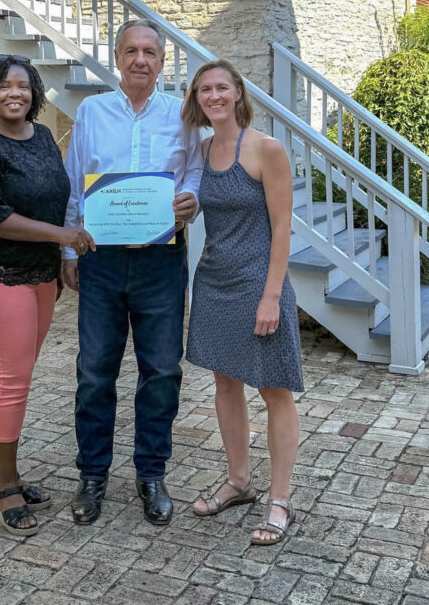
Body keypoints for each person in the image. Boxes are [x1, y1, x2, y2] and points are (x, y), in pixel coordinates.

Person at [62, 18, 203, 526]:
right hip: (101, 259)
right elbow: (75, 181)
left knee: (162, 370)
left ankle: (151, 474)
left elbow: (195, 170)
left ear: (162, 62)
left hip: (160, 260)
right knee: (94, 371)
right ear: (117, 57)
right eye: (131, 51)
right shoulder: (92, 111)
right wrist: (69, 251)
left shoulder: (182, 114)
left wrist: (192, 199)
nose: (140, 59)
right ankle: (92, 475)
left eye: (150, 52)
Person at [0, 54, 95, 537]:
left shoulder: (42, 138)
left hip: (40, 276)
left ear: (35, 92)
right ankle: (5, 487)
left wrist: (59, 259)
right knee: (11, 380)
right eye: (4, 86)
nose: (14, 93)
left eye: (23, 85)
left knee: (20, 375)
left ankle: (1, 472)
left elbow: (58, 199)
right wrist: (62, 237)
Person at [181, 59, 303, 547]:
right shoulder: (201, 150)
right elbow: (192, 208)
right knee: (225, 383)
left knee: (275, 390)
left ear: (237, 93)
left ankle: (280, 500)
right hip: (213, 281)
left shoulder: (266, 149)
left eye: (221, 88)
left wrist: (272, 296)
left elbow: (282, 226)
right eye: (204, 89)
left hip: (258, 284)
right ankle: (239, 481)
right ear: (197, 98)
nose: (213, 96)